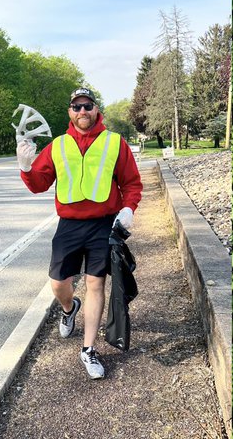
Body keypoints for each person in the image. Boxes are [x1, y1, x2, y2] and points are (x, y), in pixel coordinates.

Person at [16, 87, 142, 380]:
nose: (82, 111)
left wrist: (128, 209)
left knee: (95, 284)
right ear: (70, 112)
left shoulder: (115, 143)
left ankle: (88, 349)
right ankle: (70, 307)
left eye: (87, 105)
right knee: (59, 284)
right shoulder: (58, 146)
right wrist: (25, 166)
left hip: (103, 224)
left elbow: (132, 184)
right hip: (69, 225)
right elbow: (38, 184)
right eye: (76, 107)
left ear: (97, 109)